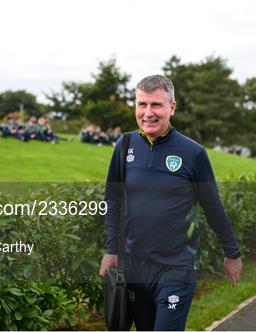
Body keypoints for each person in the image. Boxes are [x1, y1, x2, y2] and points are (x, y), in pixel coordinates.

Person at [99, 75, 242, 331]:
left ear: (172, 107)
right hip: (135, 265)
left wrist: (232, 253)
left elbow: (212, 206)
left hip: (177, 265)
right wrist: (112, 250)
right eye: (142, 104)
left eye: (156, 105)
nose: (148, 113)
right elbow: (114, 199)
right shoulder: (125, 146)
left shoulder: (193, 153)